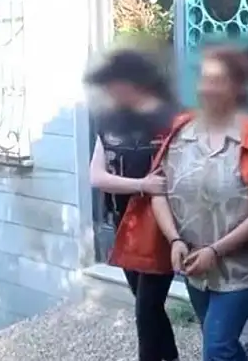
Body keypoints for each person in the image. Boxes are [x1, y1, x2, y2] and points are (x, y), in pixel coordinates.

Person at [149, 42, 248, 361]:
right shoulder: (180, 131)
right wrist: (174, 240)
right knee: (219, 343)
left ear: (237, 87)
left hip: (239, 268)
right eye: (205, 79)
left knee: (217, 347)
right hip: (192, 262)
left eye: (218, 80)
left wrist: (215, 251)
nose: (208, 87)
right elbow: (157, 189)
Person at [86, 47, 180, 361]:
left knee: (146, 308)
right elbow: (97, 177)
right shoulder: (109, 123)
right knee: (147, 304)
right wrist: (141, 185)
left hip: (159, 227)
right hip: (123, 226)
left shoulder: (170, 122)